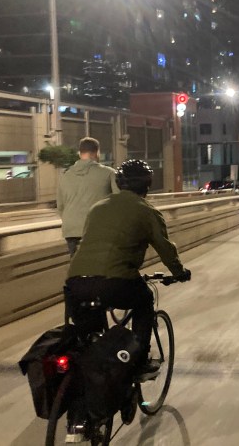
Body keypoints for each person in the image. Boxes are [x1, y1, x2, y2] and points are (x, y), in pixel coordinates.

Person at [64, 159, 191, 376]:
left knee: (88, 339)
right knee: (144, 300)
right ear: (147, 186)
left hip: (75, 283)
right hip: (116, 282)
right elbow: (165, 248)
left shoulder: (97, 207)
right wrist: (179, 273)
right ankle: (140, 361)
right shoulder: (146, 211)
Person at [57, 137, 119, 256]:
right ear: (97, 152)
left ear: (79, 153)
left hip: (71, 229)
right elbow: (118, 202)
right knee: (101, 265)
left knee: (76, 266)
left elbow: (60, 206)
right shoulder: (109, 173)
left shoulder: (65, 175)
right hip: (97, 228)